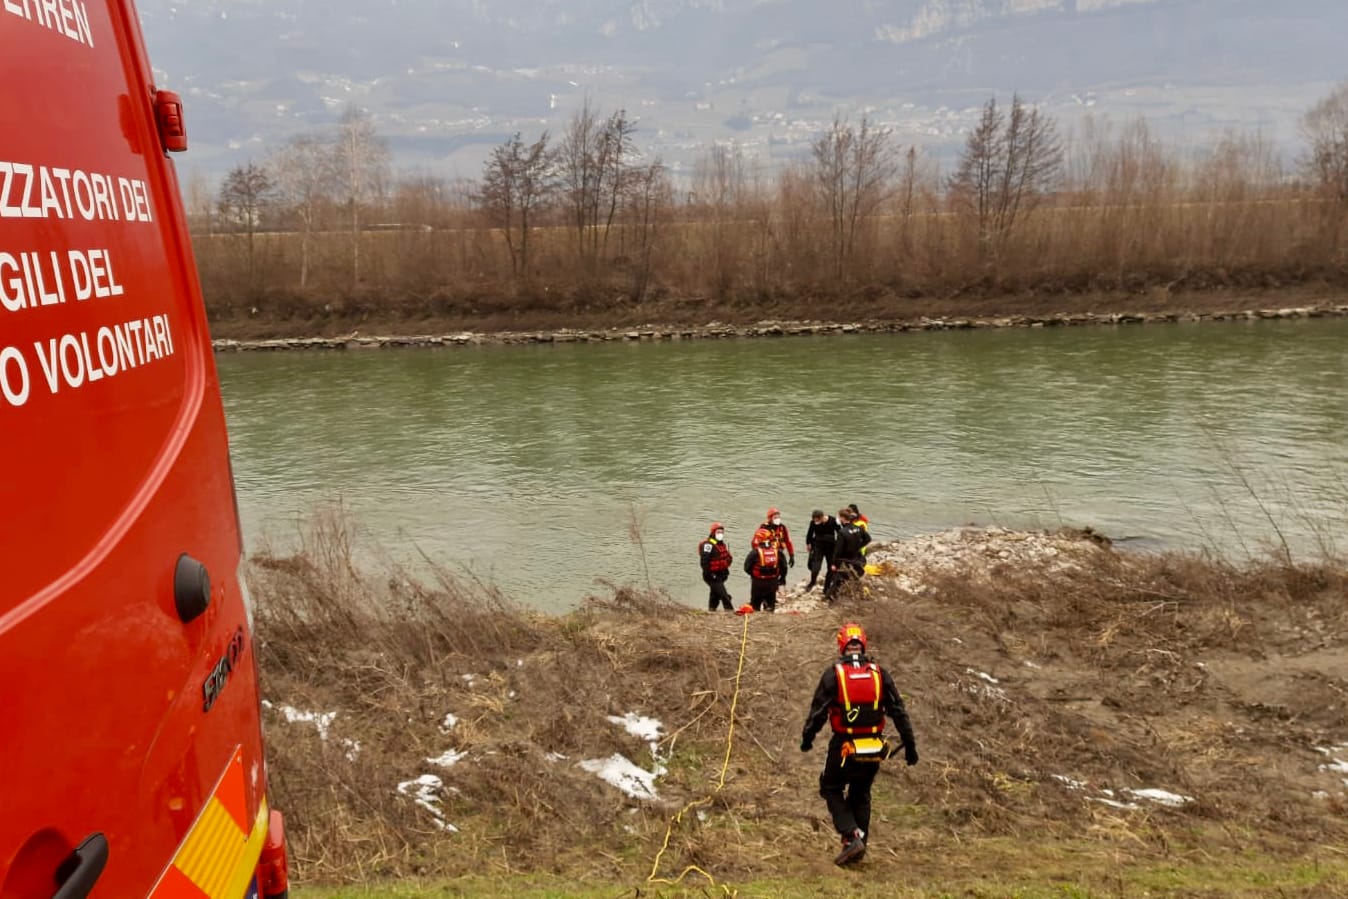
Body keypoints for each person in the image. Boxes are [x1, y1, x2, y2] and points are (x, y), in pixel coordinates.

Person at [800, 622, 918, 866]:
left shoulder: (834, 674)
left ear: (841, 645)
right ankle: (858, 848)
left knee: (831, 788)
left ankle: (851, 835)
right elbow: (898, 710)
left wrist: (807, 739)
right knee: (861, 793)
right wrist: (910, 745)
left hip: (844, 745)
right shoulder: (879, 673)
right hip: (874, 746)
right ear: (863, 644)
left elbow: (818, 712)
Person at [823, 507, 870, 602]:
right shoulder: (858, 528)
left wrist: (834, 564)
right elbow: (868, 539)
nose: (838, 519)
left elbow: (838, 551)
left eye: (839, 517)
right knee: (854, 577)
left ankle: (830, 599)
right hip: (858, 559)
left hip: (846, 561)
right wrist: (858, 547)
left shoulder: (842, 532)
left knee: (837, 580)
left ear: (843, 518)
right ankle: (858, 595)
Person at [743, 527, 782, 612]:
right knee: (770, 605)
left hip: (758, 582)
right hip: (773, 582)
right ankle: (769, 619)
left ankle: (757, 619)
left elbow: (746, 567)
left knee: (755, 605)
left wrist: (753, 575)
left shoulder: (755, 552)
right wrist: (779, 578)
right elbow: (784, 567)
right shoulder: (777, 551)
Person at [698, 522, 733, 611]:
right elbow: (704, 562)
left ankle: (711, 610)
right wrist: (710, 574)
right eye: (718, 532)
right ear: (713, 532)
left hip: (721, 574)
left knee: (715, 595)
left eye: (722, 532)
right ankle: (730, 612)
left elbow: (727, 558)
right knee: (724, 596)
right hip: (712, 575)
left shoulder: (721, 544)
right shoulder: (708, 545)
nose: (720, 534)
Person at [804, 509, 839, 592]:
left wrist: (838, 546)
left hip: (830, 547)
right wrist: (808, 543)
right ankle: (812, 582)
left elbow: (839, 532)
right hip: (818, 546)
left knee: (830, 565)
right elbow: (810, 533)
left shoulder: (832, 521)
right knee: (816, 566)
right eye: (815, 521)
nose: (816, 522)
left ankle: (829, 584)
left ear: (822, 517)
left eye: (817, 521)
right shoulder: (813, 523)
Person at [761, 507, 795, 586]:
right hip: (768, 552)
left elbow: (788, 541)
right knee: (770, 571)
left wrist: (791, 554)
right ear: (770, 518)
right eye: (775, 517)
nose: (778, 519)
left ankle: (781, 581)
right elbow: (758, 541)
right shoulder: (764, 528)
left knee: (784, 567)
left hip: (779, 551)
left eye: (779, 517)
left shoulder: (782, 527)